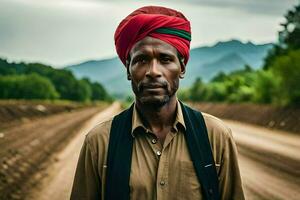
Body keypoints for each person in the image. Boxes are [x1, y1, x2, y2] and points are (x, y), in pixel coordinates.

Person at [70, 5, 245, 200]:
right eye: (142, 60)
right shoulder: (99, 142)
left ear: (182, 67)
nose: (153, 71)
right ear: (128, 69)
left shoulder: (216, 136)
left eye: (165, 59)